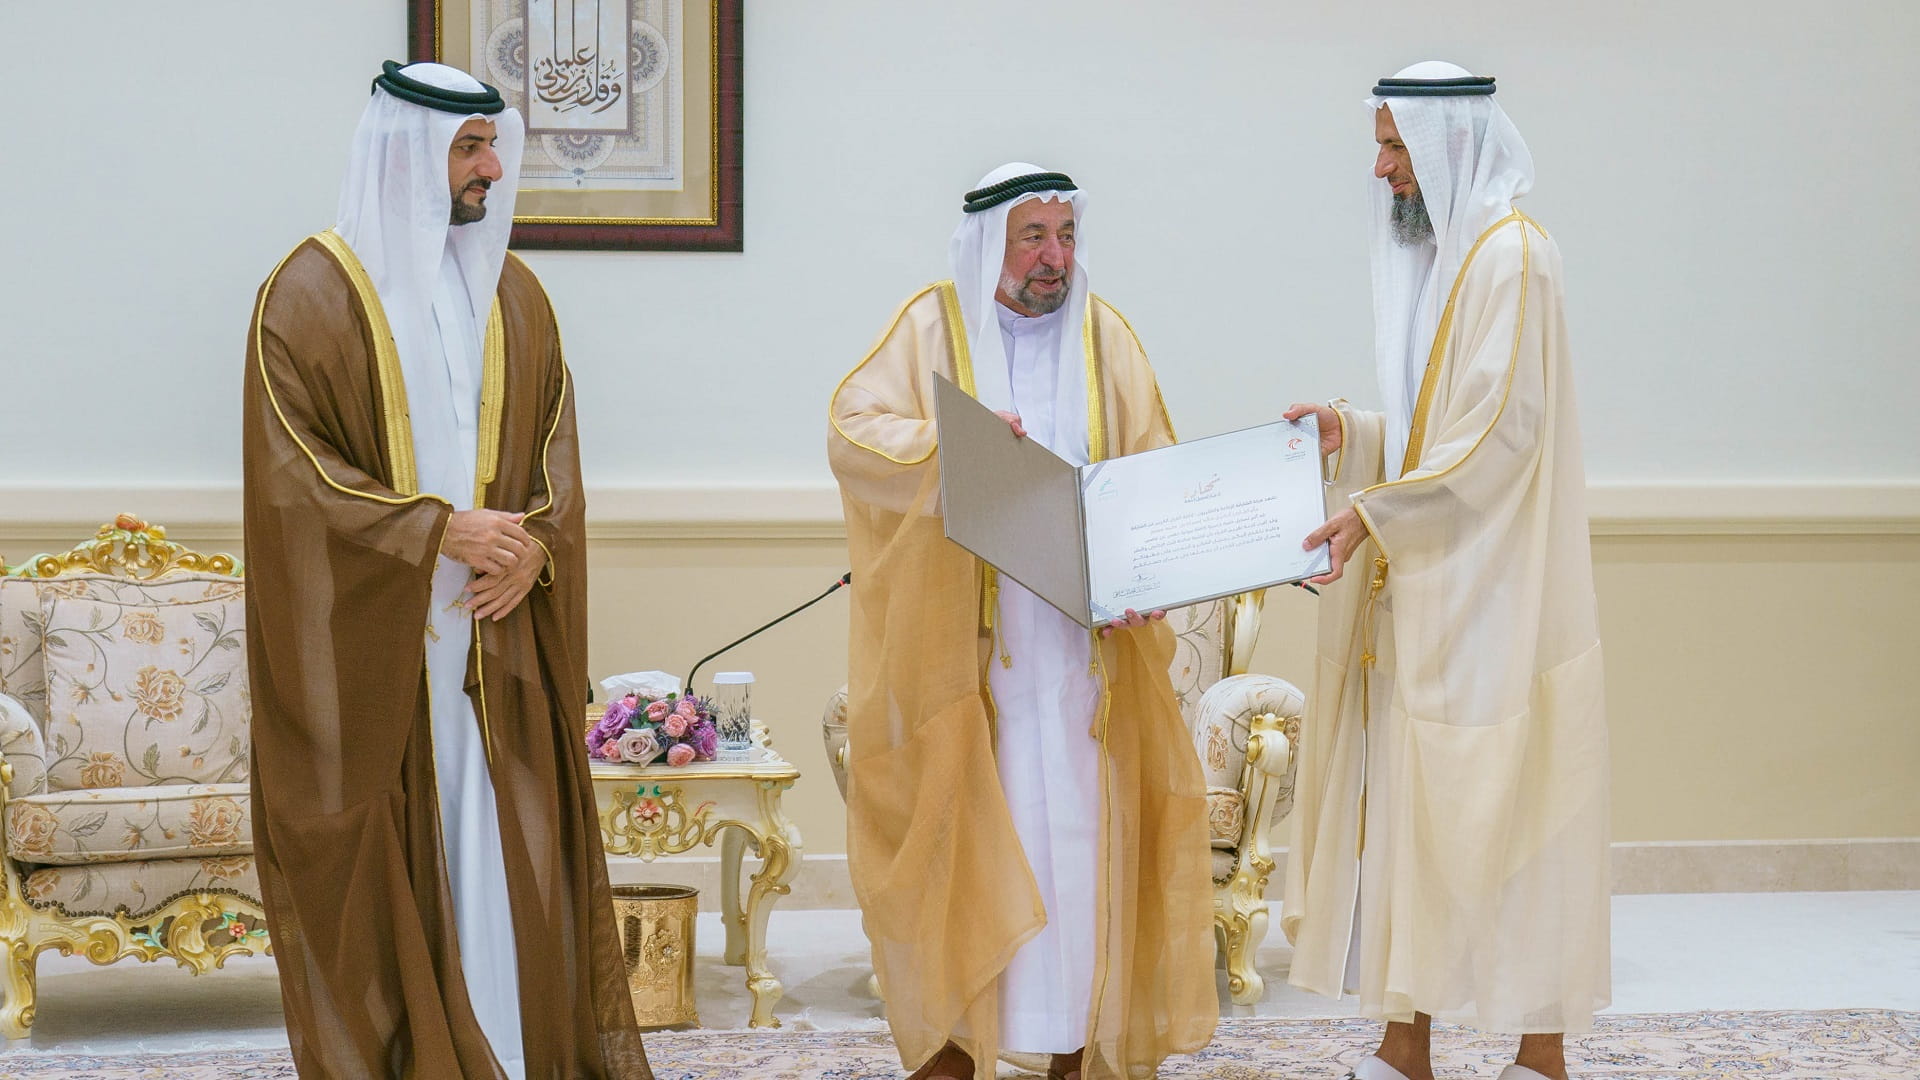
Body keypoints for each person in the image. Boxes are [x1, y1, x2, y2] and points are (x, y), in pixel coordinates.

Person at [241, 60, 651, 1079]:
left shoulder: (514, 294)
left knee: (504, 842)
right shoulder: (308, 294)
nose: (490, 169)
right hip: (380, 644)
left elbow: (554, 451)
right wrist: (434, 531)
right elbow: (294, 477)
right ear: (406, 153)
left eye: (492, 147)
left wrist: (534, 547)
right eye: (469, 149)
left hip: (495, 632)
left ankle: (512, 1052)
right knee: (397, 848)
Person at [827, 164, 1216, 1080]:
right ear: (988, 243)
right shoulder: (931, 325)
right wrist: (953, 444)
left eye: (1066, 236)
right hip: (972, 658)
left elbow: (1152, 468)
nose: (1054, 257)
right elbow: (852, 431)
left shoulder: (1105, 336)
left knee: (1082, 855)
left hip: (1085, 658)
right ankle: (958, 1050)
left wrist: (1150, 570)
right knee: (968, 849)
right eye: (1032, 237)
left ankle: (1077, 1047)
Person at [1280, 62, 1610, 1080]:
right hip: (1434, 585)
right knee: (1412, 819)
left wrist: (1373, 513)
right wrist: (1355, 433)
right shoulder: (1455, 260)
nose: (1382, 169)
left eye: (1395, 147)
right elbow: (1438, 427)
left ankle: (1542, 1053)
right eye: (1380, 147)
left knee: (1518, 816)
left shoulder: (1516, 257)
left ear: (1448, 145)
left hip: (1499, 592)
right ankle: (1404, 1044)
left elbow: (1501, 433)